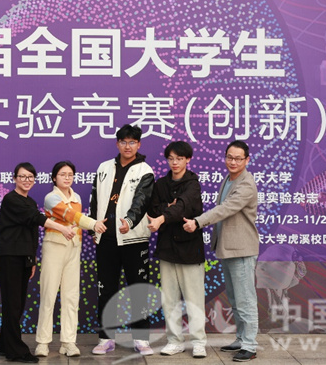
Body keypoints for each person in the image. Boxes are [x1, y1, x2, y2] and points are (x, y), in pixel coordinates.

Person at [183, 140, 259, 362]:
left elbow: (225, 209)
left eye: (238, 158)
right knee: (235, 298)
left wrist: (198, 222)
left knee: (245, 299)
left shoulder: (246, 184)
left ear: (247, 160)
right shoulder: (229, 178)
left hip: (241, 249)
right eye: (229, 157)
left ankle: (250, 345)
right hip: (228, 247)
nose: (233, 162)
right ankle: (241, 339)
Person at [0, 162, 75, 364]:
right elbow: (35, 218)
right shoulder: (11, 199)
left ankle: (5, 344)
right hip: (10, 257)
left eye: (30, 177)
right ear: (15, 178)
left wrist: (32, 260)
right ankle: (16, 351)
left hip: (23, 258)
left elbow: (31, 234)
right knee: (13, 304)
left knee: (17, 303)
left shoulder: (30, 201)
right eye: (22, 176)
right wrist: (62, 229)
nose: (27, 180)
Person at [89, 124, 155, 356]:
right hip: (106, 239)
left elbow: (142, 201)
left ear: (139, 144)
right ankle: (106, 338)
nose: (128, 146)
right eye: (124, 142)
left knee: (138, 290)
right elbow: (95, 200)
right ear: (117, 143)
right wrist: (93, 228)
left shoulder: (145, 170)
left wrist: (129, 221)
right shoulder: (104, 167)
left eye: (132, 142)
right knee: (106, 290)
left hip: (133, 239)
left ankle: (141, 339)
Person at [34, 160, 107, 358]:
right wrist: (94, 224)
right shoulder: (51, 198)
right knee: (48, 295)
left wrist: (92, 227)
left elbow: (77, 222)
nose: (67, 178)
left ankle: (68, 342)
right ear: (54, 178)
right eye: (62, 174)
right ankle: (43, 342)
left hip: (74, 249)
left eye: (70, 175)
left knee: (71, 297)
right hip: (54, 248)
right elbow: (70, 216)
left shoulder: (77, 197)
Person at [146, 141, 207, 358]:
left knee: (194, 298)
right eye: (171, 158)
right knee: (169, 298)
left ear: (188, 159)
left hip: (189, 249)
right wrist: (168, 209)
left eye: (179, 159)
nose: (175, 163)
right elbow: (153, 208)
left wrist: (166, 214)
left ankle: (198, 341)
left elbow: (183, 206)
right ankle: (174, 340)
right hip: (166, 248)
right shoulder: (161, 184)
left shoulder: (193, 184)